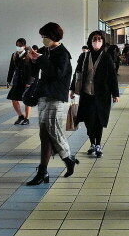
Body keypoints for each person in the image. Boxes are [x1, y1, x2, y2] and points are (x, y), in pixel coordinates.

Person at [25, 22, 76, 185]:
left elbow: (57, 74)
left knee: (53, 131)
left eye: (45, 37)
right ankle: (43, 171)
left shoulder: (63, 54)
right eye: (42, 37)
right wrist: (33, 60)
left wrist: (41, 60)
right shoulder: (45, 51)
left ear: (54, 36)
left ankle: (68, 158)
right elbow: (36, 70)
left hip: (56, 97)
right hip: (43, 96)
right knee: (44, 134)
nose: (43, 40)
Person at [71, 30, 120, 158]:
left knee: (98, 120)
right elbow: (77, 74)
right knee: (88, 119)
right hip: (86, 94)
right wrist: (72, 89)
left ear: (103, 41)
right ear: (90, 41)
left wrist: (116, 93)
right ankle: (92, 142)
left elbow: (112, 76)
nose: (97, 41)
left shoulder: (106, 57)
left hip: (102, 94)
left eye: (99, 39)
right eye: (94, 39)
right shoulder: (84, 56)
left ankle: (98, 144)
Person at [7, 38, 36, 125]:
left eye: (20, 45)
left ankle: (27, 118)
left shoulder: (29, 55)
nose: (18, 47)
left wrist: (30, 81)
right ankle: (20, 116)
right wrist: (9, 80)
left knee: (27, 100)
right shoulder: (14, 55)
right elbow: (11, 68)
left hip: (26, 81)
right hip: (17, 80)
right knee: (13, 99)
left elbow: (33, 70)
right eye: (17, 45)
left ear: (24, 46)